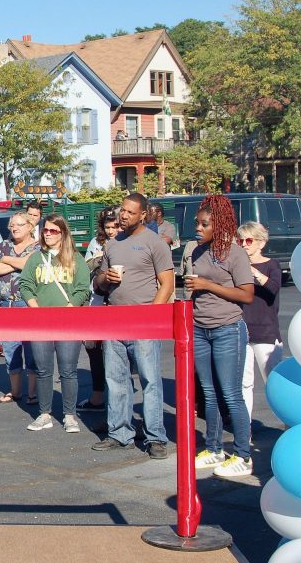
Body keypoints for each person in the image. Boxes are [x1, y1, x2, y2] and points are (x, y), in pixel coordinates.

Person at [92, 192, 174, 460]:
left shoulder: (155, 243)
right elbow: (100, 285)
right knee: (116, 380)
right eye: (122, 211)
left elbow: (167, 284)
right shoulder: (113, 244)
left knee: (150, 381)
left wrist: (152, 318)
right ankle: (119, 433)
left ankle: (155, 437)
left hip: (144, 323)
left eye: (129, 212)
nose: (123, 215)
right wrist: (106, 277)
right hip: (114, 321)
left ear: (143, 215)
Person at [187, 195, 255, 478]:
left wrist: (207, 285)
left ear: (219, 225)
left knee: (230, 394)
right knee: (209, 394)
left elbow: (247, 295)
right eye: (197, 223)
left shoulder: (235, 253)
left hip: (228, 328)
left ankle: (243, 455)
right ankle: (214, 449)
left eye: (204, 224)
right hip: (200, 329)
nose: (198, 228)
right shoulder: (197, 251)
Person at [19, 214, 90, 433]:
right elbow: (25, 284)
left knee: (68, 371)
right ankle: (44, 413)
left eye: (53, 231)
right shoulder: (35, 258)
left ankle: (70, 415)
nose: (48, 234)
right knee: (43, 370)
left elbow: (82, 288)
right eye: (45, 230)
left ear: (63, 233)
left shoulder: (75, 258)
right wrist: (35, 308)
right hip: (41, 322)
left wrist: (69, 309)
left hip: (68, 322)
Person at [0, 211, 39, 404]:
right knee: (10, 348)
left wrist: (5, 260)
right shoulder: (4, 245)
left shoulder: (39, 246)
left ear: (30, 227)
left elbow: (30, 264)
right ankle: (15, 391)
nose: (14, 228)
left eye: (18, 225)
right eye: (11, 225)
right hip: (6, 303)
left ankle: (33, 393)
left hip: (28, 303)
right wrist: (19, 264)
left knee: (32, 348)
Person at [236, 221, 283, 424]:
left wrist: (253, 272)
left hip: (266, 333)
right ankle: (244, 431)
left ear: (261, 243)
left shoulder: (272, 265)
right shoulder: (237, 266)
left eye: (248, 240)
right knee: (244, 385)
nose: (244, 245)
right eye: (240, 241)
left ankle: (289, 423)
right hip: (242, 331)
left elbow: (273, 288)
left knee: (274, 383)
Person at [78, 206, 119, 412]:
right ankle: (97, 395)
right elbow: (86, 269)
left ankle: (116, 401)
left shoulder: (125, 242)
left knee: (115, 351)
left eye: (115, 226)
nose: (111, 231)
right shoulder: (96, 243)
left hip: (117, 301)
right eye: (107, 227)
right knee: (93, 347)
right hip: (96, 298)